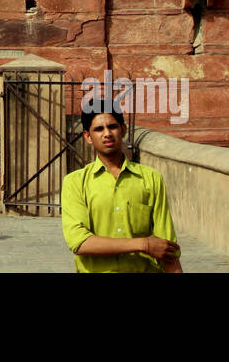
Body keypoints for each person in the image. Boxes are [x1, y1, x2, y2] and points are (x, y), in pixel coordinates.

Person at [60, 103, 182, 273]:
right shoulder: (75, 183)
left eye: (112, 127)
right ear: (88, 136)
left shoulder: (151, 178)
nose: (107, 134)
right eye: (99, 129)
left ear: (123, 130)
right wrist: (143, 244)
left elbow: (167, 248)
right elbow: (79, 242)